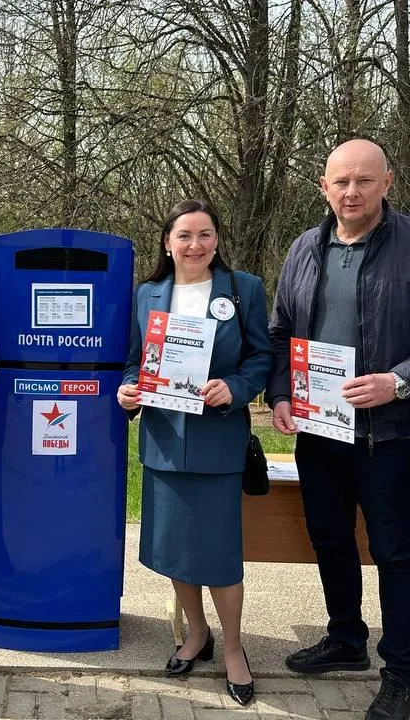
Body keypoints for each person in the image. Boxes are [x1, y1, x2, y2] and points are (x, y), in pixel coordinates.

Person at [267, 139, 410, 720]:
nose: (351, 192)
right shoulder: (305, 248)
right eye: (340, 182)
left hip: (389, 432)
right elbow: (281, 335)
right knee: (328, 536)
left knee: (393, 549)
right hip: (318, 430)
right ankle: (346, 638)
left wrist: (398, 381)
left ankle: (401, 671)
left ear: (387, 182)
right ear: (323, 188)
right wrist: (280, 394)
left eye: (363, 181)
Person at [117, 199, 272, 707]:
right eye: (184, 235)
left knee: (221, 555)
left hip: (218, 442)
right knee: (177, 550)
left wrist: (235, 387)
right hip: (163, 445)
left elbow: (261, 359)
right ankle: (197, 633)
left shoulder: (243, 289)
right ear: (168, 243)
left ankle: (233, 647)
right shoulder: (147, 294)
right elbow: (135, 361)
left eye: (205, 235)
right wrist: (127, 391)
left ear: (217, 240)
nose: (195, 245)